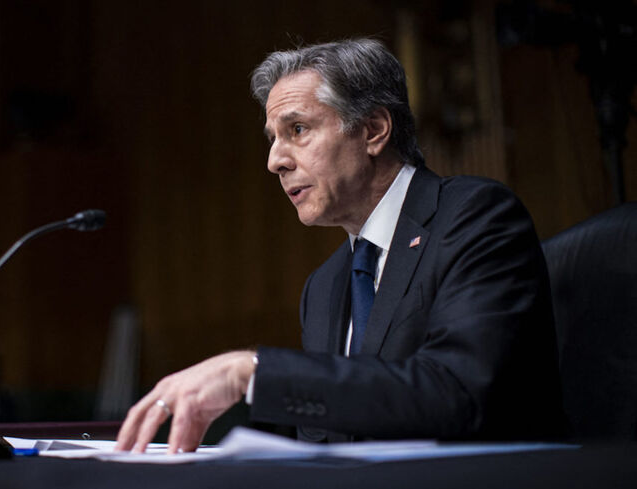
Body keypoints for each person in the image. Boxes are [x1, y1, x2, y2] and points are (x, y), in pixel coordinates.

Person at [115, 38, 564, 454]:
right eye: (273, 138)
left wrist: (252, 371)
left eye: (297, 129)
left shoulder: (475, 217)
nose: (275, 161)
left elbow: (457, 393)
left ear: (373, 130)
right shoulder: (325, 286)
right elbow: (333, 433)